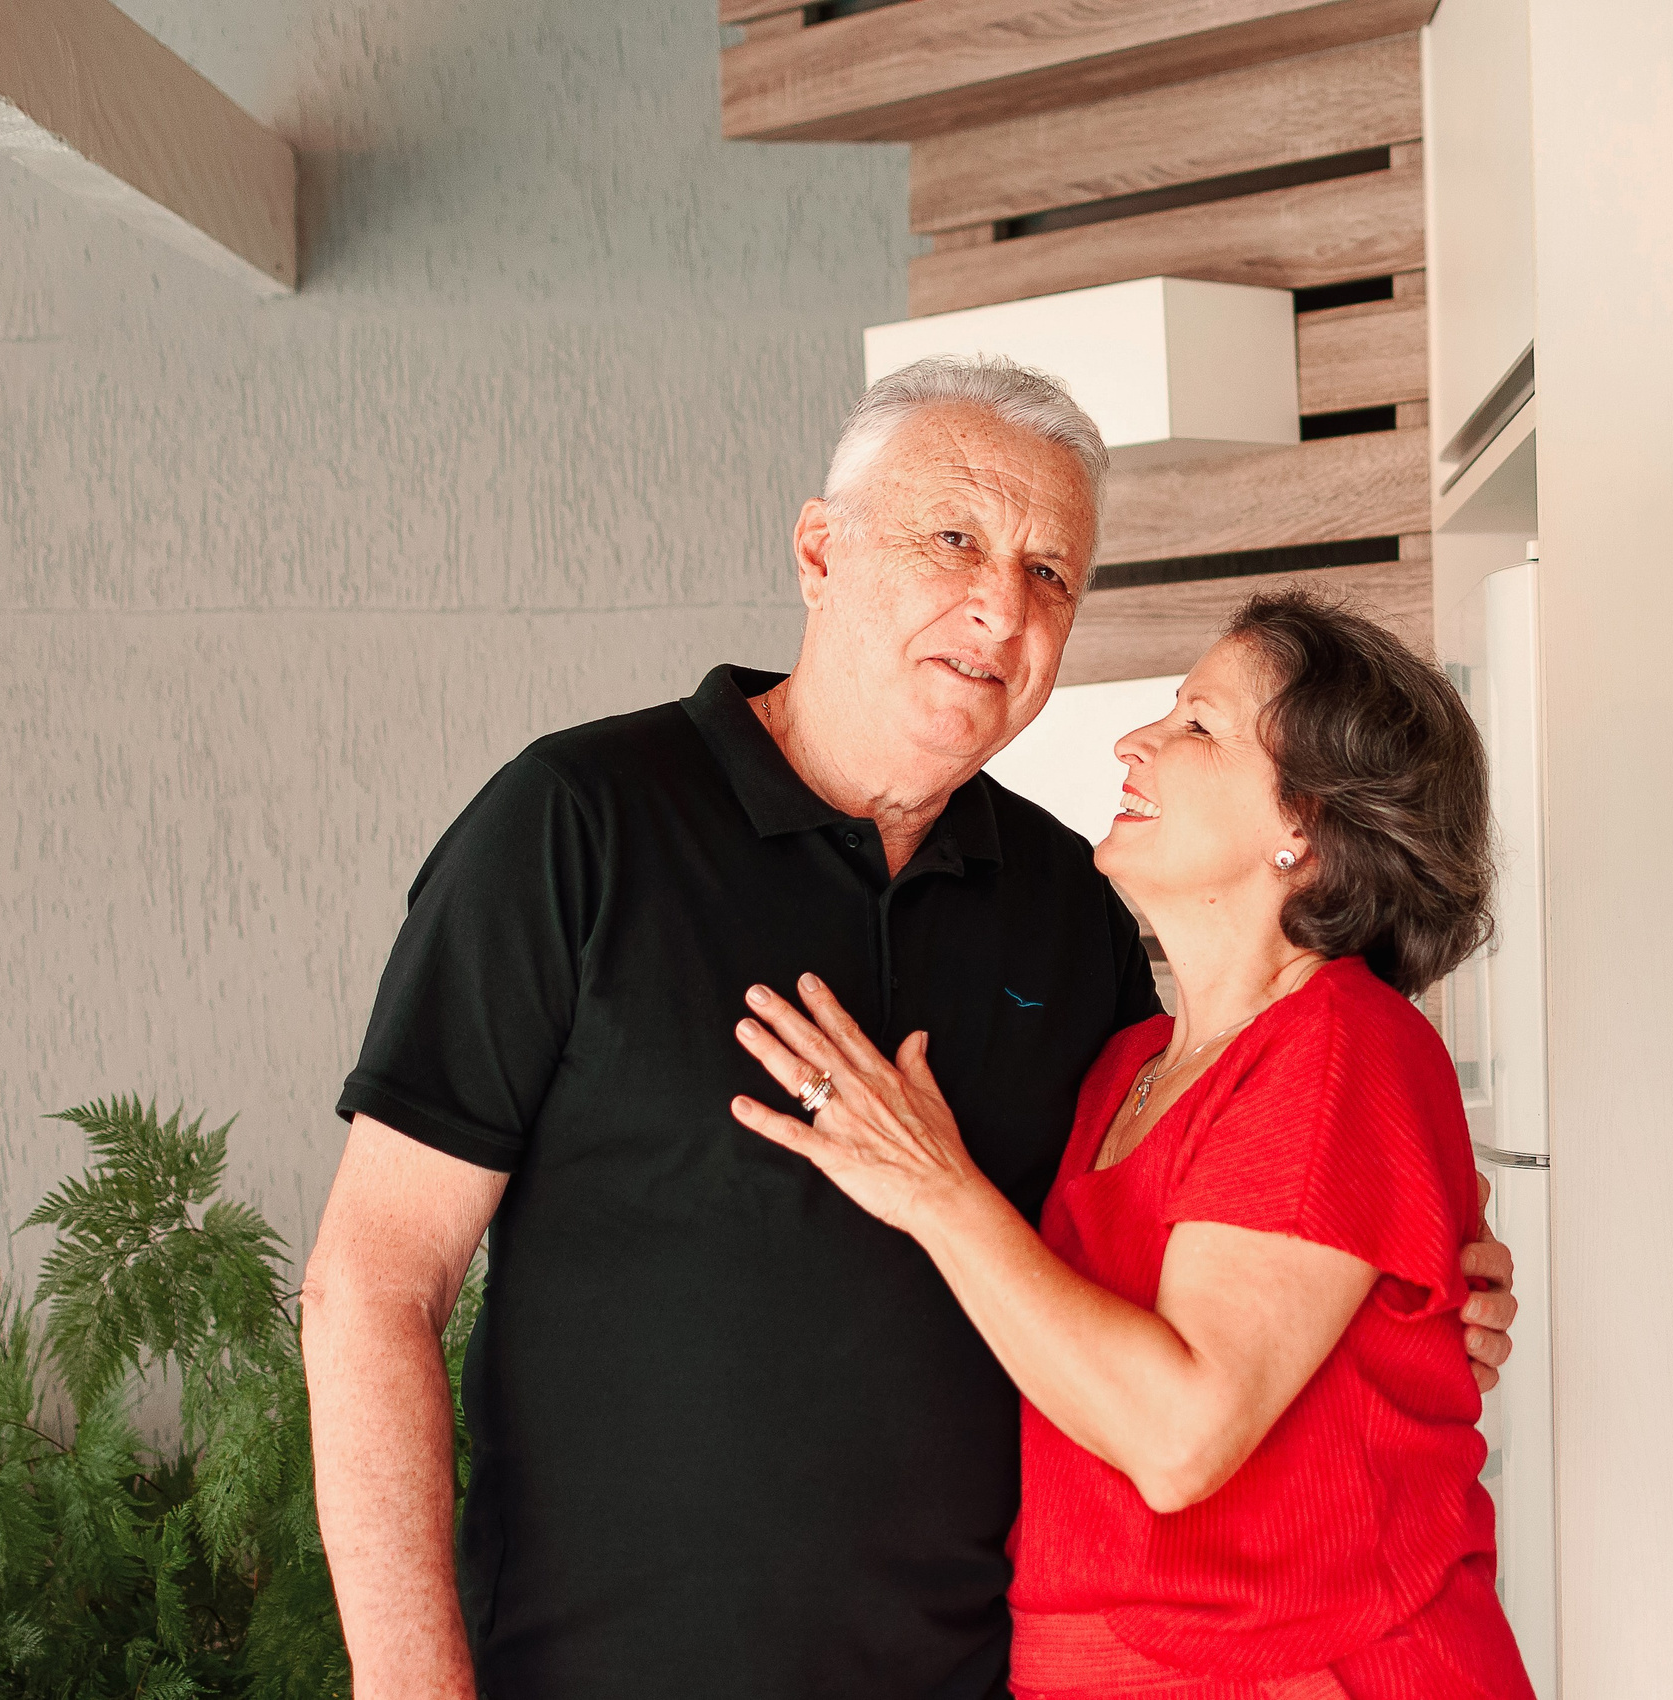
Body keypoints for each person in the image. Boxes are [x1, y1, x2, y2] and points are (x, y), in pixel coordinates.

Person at [300, 357, 1518, 1700]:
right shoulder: (575, 823)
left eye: (1050, 573)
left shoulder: (1072, 907)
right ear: (821, 551)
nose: (1002, 605)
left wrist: (1408, 1288)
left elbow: (1205, 1209)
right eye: (953, 538)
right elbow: (373, 1283)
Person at [729, 591, 1534, 1699]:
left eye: (1198, 724)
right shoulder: (1126, 1066)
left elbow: (1177, 1437)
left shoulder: (1341, 1043)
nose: (1134, 742)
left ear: (1307, 824)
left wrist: (932, 1188)